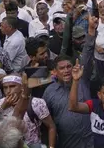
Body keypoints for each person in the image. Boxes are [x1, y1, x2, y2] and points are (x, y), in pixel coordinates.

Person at [42, 13, 97, 148]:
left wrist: (91, 30)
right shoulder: (49, 92)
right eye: (62, 68)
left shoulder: (82, 80)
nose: (66, 70)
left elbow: (88, 52)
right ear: (55, 72)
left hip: (91, 139)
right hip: (67, 142)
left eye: (68, 67)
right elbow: (45, 120)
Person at [0, 73, 56, 147]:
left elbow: (51, 126)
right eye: (5, 87)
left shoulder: (36, 103)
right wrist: (2, 107)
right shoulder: (0, 104)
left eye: (12, 86)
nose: (8, 91)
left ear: (22, 87)